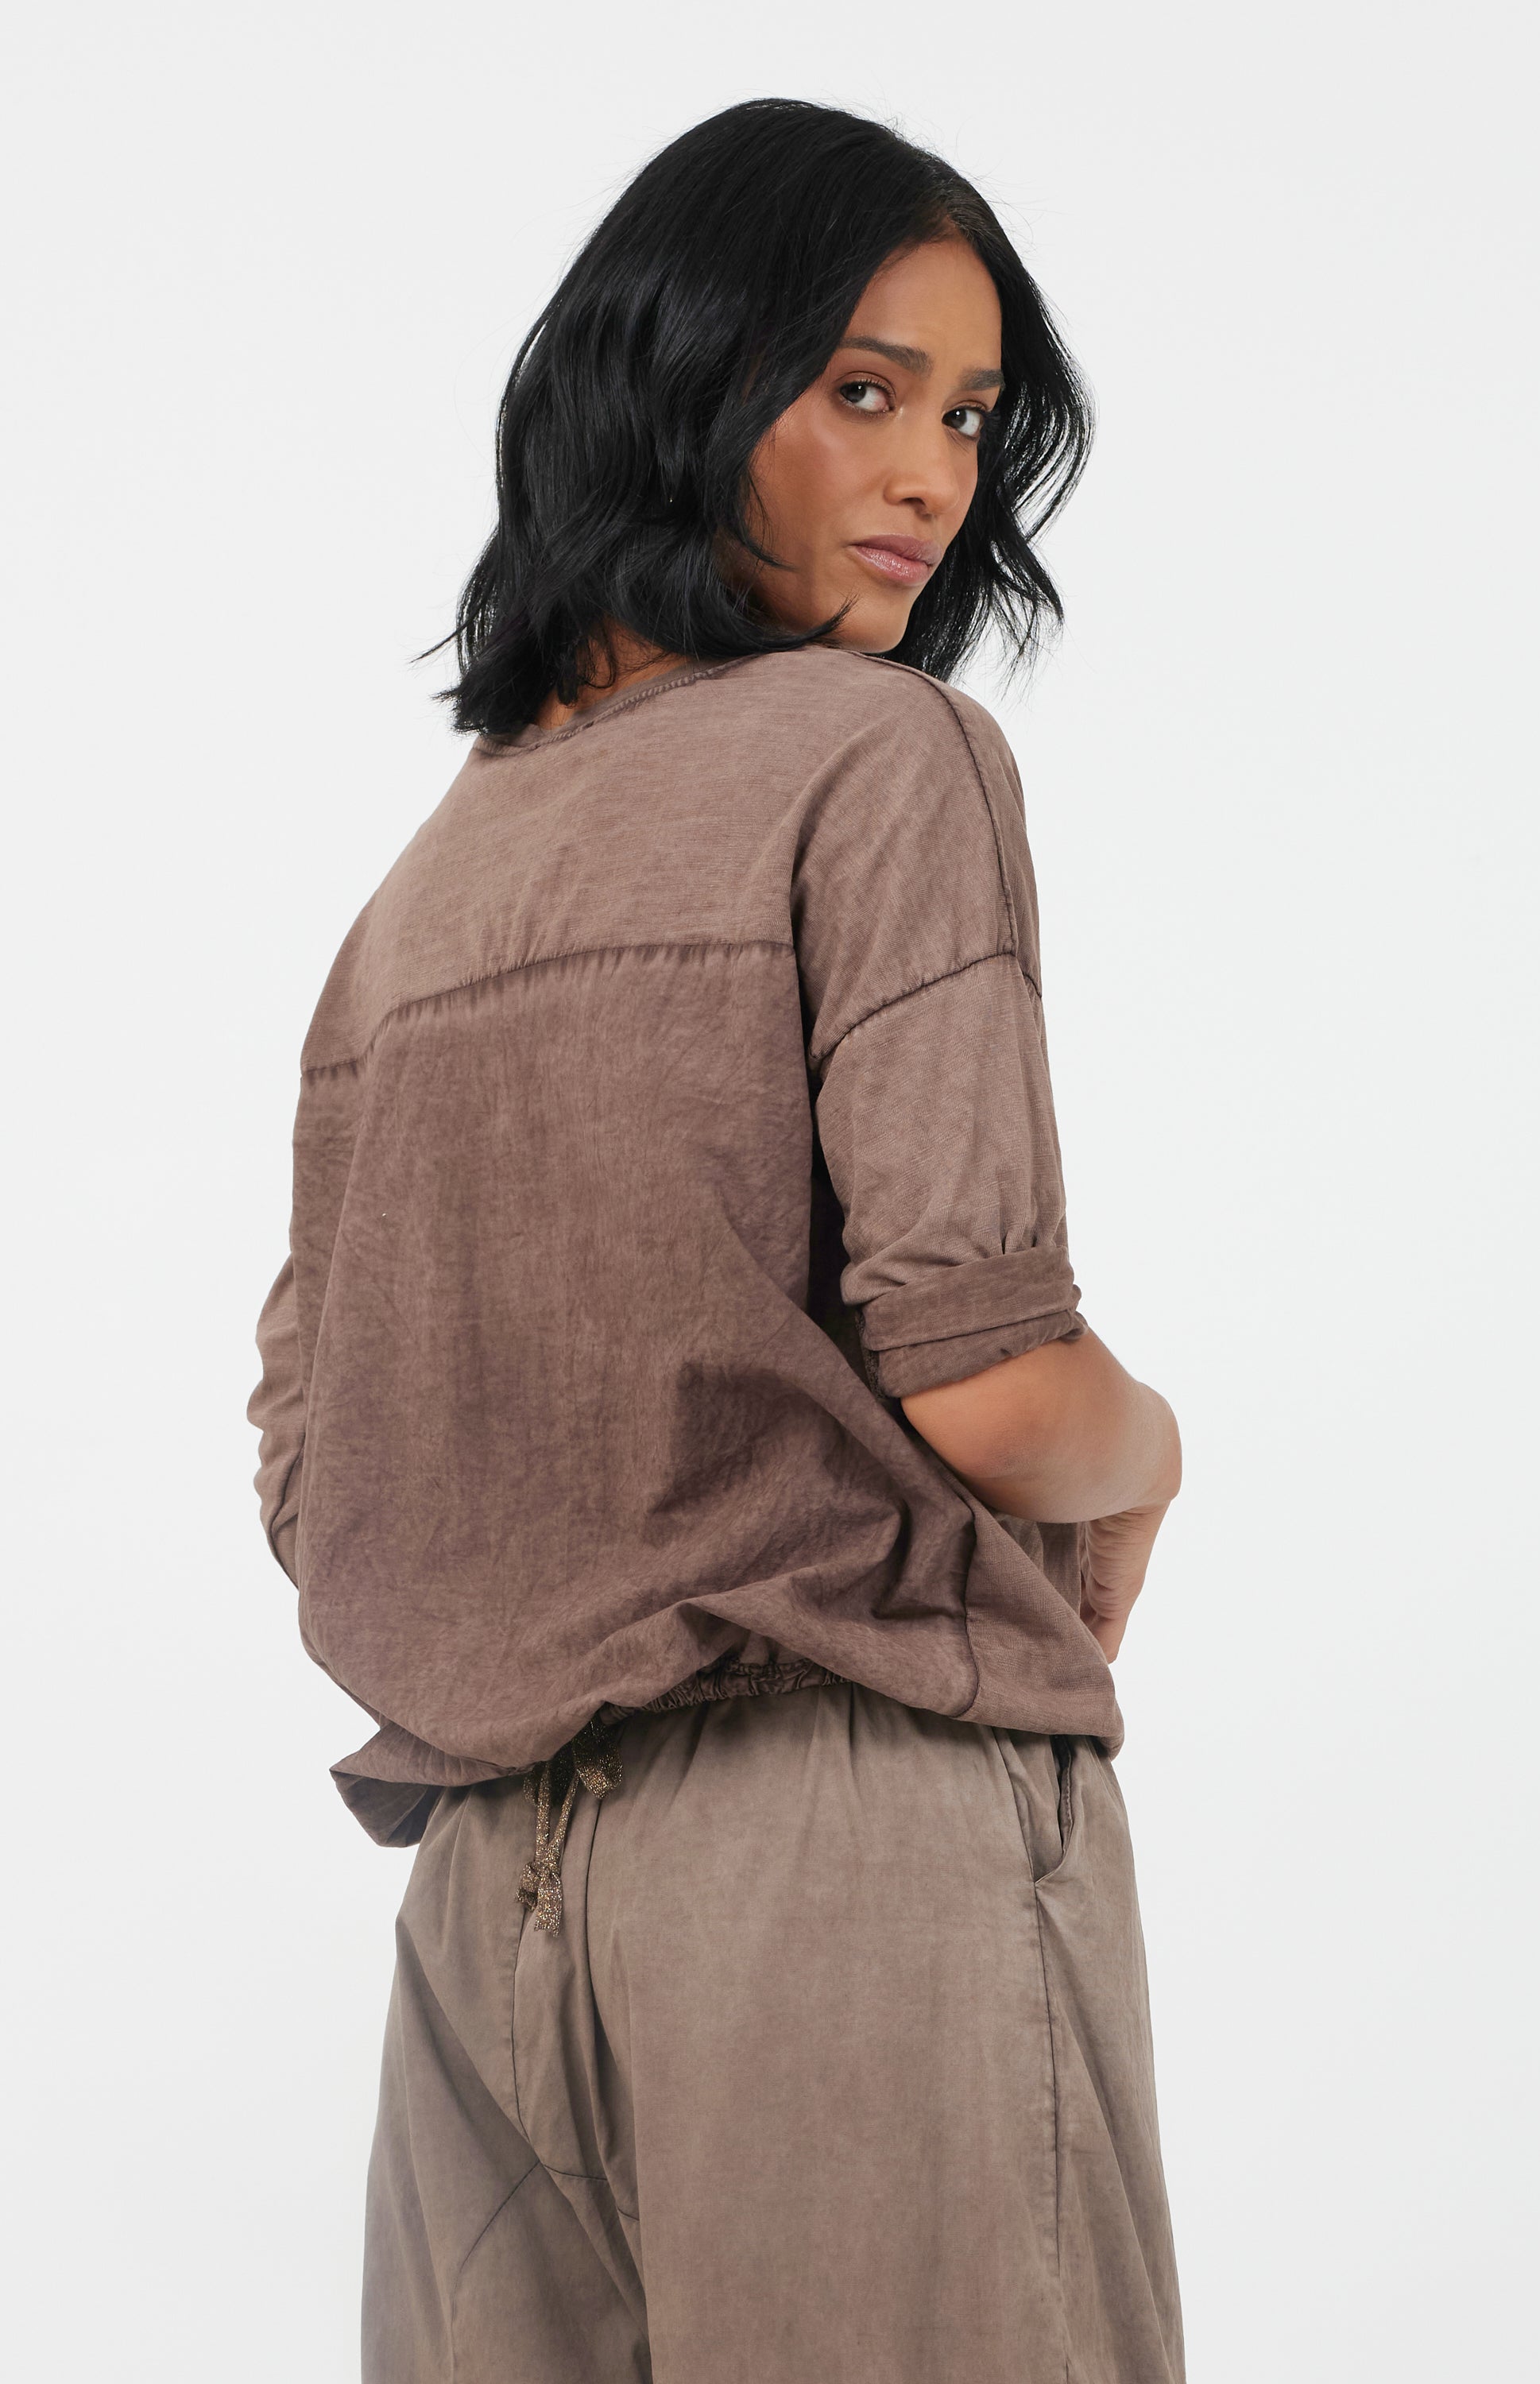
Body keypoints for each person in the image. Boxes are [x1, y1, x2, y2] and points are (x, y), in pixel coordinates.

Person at [248, 96, 1186, 2384]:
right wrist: (1150, 1453)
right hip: (842, 1850)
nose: (931, 475)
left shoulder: (426, 890)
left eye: (969, 416)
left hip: (487, 1905)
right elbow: (989, 1378)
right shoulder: (880, 756)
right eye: (862, 389)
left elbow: (308, 1463)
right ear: (674, 377)